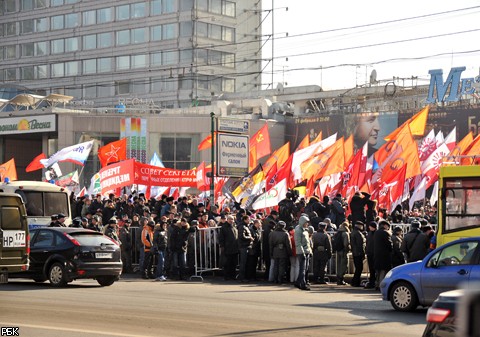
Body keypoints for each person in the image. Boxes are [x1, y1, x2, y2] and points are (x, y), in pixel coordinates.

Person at [294, 215, 312, 290]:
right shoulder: (298, 230)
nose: (307, 224)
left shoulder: (305, 230)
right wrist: (302, 253)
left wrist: (310, 251)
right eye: (306, 222)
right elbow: (298, 243)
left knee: (305, 268)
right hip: (302, 252)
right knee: (303, 269)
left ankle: (298, 282)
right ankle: (302, 284)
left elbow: (308, 242)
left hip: (306, 251)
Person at [218, 215, 238, 281]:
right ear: (227, 220)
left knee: (234, 263)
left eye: (232, 219)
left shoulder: (234, 226)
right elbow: (221, 238)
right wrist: (222, 246)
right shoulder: (224, 227)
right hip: (227, 248)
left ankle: (233, 276)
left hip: (234, 247)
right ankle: (227, 276)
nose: (231, 220)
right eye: (230, 219)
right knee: (227, 263)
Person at [374, 220, 393, 288]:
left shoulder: (376, 233)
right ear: (385, 225)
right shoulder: (385, 233)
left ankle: (377, 284)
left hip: (377, 254)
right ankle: (381, 285)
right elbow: (389, 244)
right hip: (384, 255)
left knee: (378, 271)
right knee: (383, 271)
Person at [237, 215, 254, 282]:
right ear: (245, 220)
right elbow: (242, 236)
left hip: (246, 246)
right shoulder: (242, 227)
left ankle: (245, 277)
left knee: (246, 262)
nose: (249, 220)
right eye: (248, 219)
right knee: (243, 263)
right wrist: (250, 238)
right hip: (243, 246)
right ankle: (242, 277)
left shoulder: (245, 226)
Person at [350, 221, 366, 287]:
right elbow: (360, 245)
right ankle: (356, 282)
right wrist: (363, 253)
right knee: (359, 268)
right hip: (358, 253)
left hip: (355, 252)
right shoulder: (358, 233)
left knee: (358, 268)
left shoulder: (353, 232)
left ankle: (354, 281)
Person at [364, 221, 377, 289]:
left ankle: (374, 282)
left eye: (370, 226)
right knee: (371, 269)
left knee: (374, 269)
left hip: (374, 253)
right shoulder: (369, 234)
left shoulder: (376, 234)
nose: (369, 227)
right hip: (370, 253)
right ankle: (372, 282)